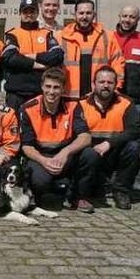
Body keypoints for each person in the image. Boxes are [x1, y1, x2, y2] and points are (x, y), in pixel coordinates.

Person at [19, 68, 94, 212]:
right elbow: (26, 147)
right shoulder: (27, 108)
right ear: (42, 86)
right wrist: (43, 161)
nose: (51, 92)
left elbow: (85, 137)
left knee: (90, 155)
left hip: (65, 156)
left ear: (63, 89)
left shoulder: (73, 106)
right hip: (40, 157)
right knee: (40, 182)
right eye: (48, 86)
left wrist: (65, 153)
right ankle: (52, 191)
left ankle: (77, 198)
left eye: (56, 87)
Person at [79, 67, 140, 209]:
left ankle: (121, 191)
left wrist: (109, 143)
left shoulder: (126, 103)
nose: (106, 85)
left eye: (110, 82)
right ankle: (84, 191)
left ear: (115, 84)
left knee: (135, 147)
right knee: (87, 155)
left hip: (115, 153)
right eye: (101, 82)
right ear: (93, 84)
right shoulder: (81, 104)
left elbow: (134, 130)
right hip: (91, 155)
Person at [2, 0, 64, 113]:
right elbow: (10, 58)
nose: (29, 14)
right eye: (25, 11)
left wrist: (29, 56)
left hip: (39, 92)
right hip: (16, 93)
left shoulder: (47, 34)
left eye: (32, 11)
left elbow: (57, 56)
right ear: (20, 13)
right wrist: (37, 65)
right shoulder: (12, 34)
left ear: (37, 13)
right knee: (13, 128)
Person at [58, 0, 124, 100]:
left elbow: (118, 62)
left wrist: (116, 86)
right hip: (68, 96)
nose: (84, 17)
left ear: (94, 14)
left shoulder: (107, 36)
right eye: (81, 13)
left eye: (88, 13)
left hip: (98, 97)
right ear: (74, 14)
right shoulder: (61, 36)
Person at [112, 5, 140, 113]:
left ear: (138, 19)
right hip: (112, 97)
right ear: (119, 17)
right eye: (124, 16)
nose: (127, 20)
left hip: (136, 99)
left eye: (132, 17)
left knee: (134, 129)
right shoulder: (110, 37)